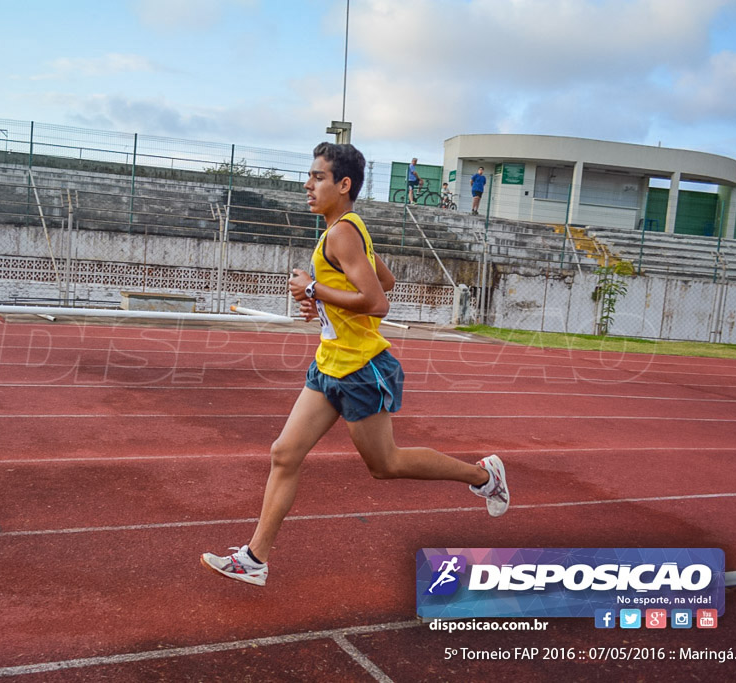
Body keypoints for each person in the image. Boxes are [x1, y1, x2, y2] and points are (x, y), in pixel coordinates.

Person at [200, 142, 510, 587]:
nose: (308, 185)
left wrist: (314, 293)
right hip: (329, 364)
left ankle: (483, 476)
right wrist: (323, 306)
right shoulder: (343, 230)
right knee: (284, 454)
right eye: (309, 177)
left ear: (343, 185)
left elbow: (378, 301)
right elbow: (384, 277)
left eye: (318, 178)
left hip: (361, 368)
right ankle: (254, 558)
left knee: (385, 464)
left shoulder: (342, 232)